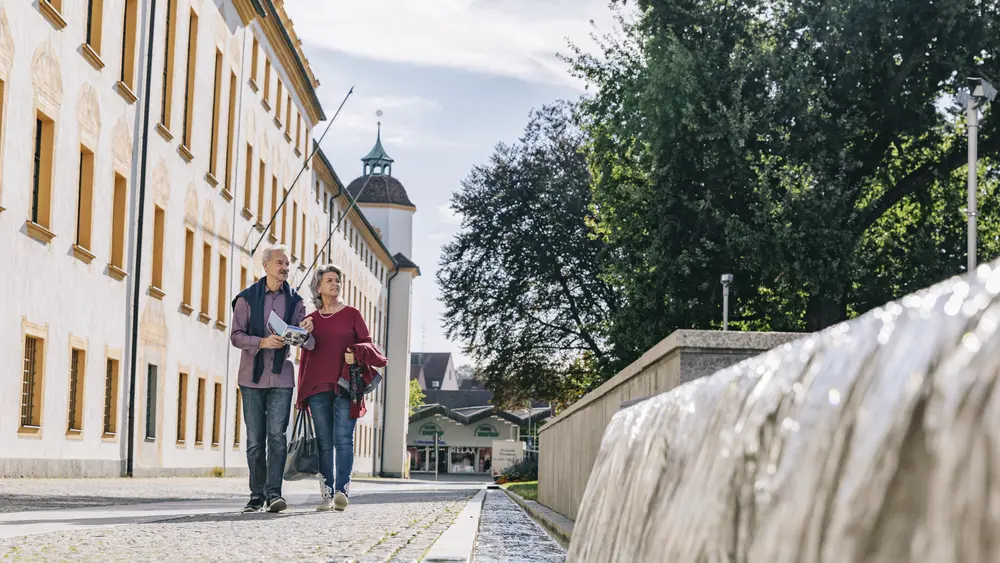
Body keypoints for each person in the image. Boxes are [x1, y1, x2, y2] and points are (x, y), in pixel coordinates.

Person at [230, 245, 314, 513]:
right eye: (280, 263)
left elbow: (309, 343)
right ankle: (256, 495)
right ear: (265, 266)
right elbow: (236, 336)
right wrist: (263, 342)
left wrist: (307, 330)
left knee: (277, 437)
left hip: (282, 378)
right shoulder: (246, 298)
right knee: (255, 439)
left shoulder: (297, 302)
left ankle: (274, 494)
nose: (285, 268)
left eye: (287, 263)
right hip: (251, 378)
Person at [297, 264, 387, 512]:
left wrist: (356, 355)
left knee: (343, 439)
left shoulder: (352, 314)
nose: (335, 283)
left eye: (337, 280)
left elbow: (370, 347)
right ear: (318, 288)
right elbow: (305, 351)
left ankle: (341, 491)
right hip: (317, 386)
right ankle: (326, 494)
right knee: (325, 441)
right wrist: (304, 333)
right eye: (329, 280)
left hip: (346, 385)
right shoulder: (311, 321)